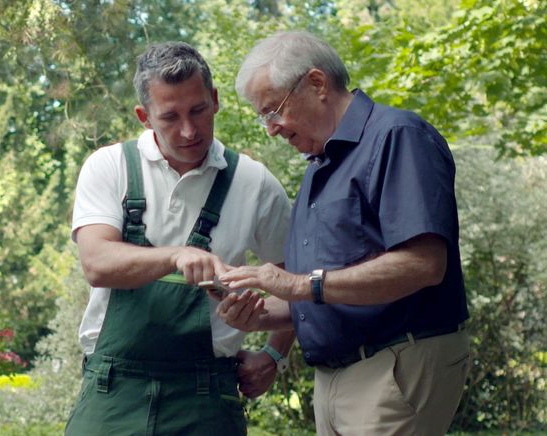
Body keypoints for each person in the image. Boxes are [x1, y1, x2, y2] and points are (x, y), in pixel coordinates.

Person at [215, 31, 471, 435]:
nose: (271, 129)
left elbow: (423, 264)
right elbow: (321, 294)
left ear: (317, 84)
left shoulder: (396, 135)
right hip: (335, 379)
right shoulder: (320, 165)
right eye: (262, 117)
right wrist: (256, 316)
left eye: (272, 110)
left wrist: (298, 283)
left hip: (394, 363)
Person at [64, 41, 294, 436]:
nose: (189, 130)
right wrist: (176, 257)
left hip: (207, 397)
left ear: (216, 100)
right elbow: (96, 264)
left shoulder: (254, 183)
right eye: (170, 117)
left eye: (199, 110)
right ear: (144, 116)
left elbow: (296, 283)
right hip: (112, 392)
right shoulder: (110, 167)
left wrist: (275, 352)